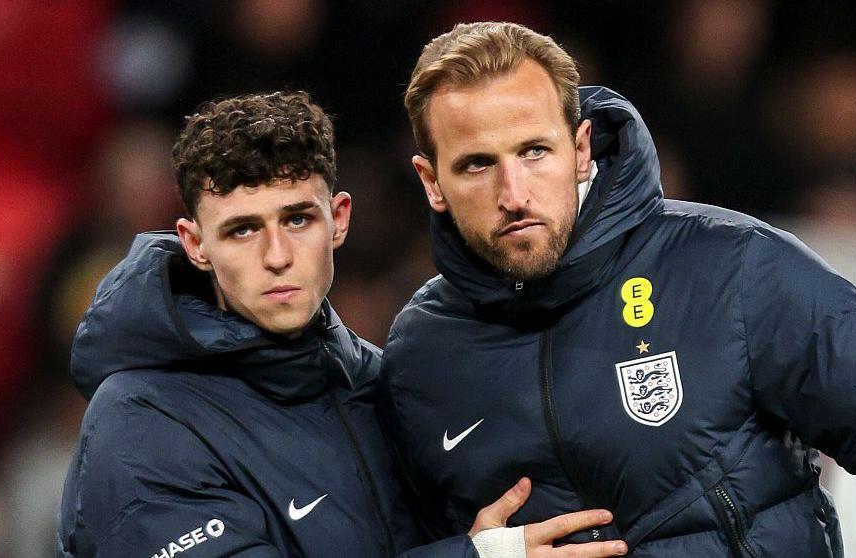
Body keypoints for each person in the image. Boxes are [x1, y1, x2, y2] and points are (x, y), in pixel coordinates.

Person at [379, 22, 856, 558]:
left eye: (535, 151)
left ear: (581, 149)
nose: (514, 192)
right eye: (477, 164)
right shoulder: (420, 354)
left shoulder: (728, 268)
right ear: (431, 181)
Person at [56, 91, 625, 558]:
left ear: (339, 220)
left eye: (298, 218)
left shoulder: (384, 385)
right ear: (196, 244)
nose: (277, 255)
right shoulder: (138, 420)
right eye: (242, 230)